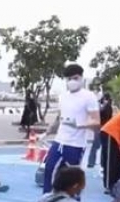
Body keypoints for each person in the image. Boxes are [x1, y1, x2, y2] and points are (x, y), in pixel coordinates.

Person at [41, 64, 100, 193]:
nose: (72, 81)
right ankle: (46, 200)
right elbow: (59, 118)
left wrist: (78, 125)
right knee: (49, 170)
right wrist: (47, 132)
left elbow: (96, 121)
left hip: (76, 144)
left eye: (75, 78)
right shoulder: (63, 97)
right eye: (69, 79)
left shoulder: (89, 97)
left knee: (72, 178)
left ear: (81, 78)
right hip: (59, 141)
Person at [87, 93, 113, 168]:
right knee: (102, 147)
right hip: (105, 128)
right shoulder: (108, 107)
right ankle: (102, 163)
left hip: (101, 128)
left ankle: (92, 162)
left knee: (96, 146)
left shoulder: (106, 107)